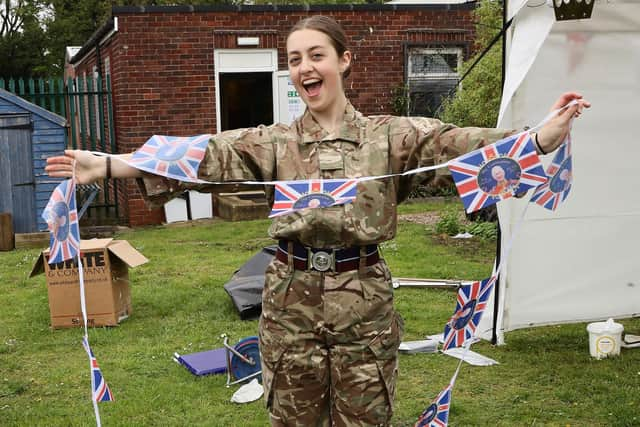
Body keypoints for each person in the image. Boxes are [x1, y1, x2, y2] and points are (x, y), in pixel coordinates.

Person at [46, 15, 589, 427]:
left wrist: (539, 138)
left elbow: (457, 146)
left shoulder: (390, 137)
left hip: (365, 303)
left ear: (344, 60)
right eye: (295, 58)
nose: (305, 67)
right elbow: (204, 156)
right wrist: (113, 164)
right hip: (288, 301)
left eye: (317, 55)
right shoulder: (274, 143)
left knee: (366, 415)